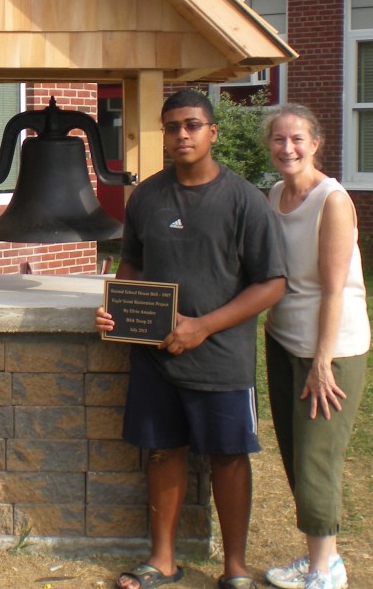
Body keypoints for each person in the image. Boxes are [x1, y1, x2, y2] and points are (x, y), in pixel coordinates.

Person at [95, 89, 287, 589]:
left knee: (227, 456)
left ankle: (235, 568)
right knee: (163, 450)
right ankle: (162, 560)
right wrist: (122, 308)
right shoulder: (149, 197)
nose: (182, 134)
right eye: (173, 126)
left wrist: (203, 326)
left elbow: (272, 282)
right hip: (157, 356)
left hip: (221, 358)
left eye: (193, 125)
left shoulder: (245, 200)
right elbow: (132, 263)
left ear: (212, 132)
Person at [261, 105, 370, 589]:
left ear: (316, 142)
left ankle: (326, 572)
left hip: (329, 350)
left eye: (298, 139)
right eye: (279, 140)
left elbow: (334, 289)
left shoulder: (333, 201)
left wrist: (323, 362)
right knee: (293, 455)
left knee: (316, 459)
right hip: (282, 339)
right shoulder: (275, 194)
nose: (288, 148)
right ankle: (320, 557)